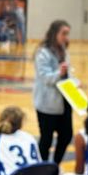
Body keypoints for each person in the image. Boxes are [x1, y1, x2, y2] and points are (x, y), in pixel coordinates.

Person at [33, 20, 73, 164]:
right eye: (64, 33)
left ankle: (56, 165)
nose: (66, 37)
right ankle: (41, 168)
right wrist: (59, 73)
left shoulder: (64, 51)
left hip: (64, 102)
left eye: (68, 34)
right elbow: (45, 78)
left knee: (66, 135)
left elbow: (69, 73)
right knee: (46, 140)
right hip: (47, 104)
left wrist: (74, 82)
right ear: (54, 33)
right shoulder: (43, 53)